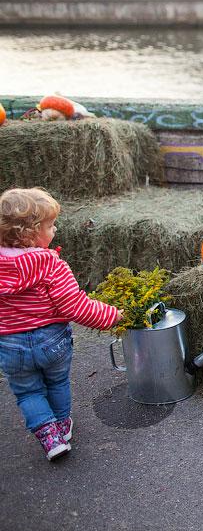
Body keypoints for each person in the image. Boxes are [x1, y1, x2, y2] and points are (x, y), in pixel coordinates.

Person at [0, 188, 120, 461]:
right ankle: (62, 427)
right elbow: (75, 306)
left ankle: (49, 436)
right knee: (56, 382)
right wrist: (113, 316)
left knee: (28, 391)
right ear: (30, 233)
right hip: (51, 342)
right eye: (51, 225)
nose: (55, 229)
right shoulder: (52, 267)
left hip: (10, 346)